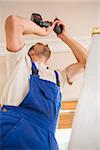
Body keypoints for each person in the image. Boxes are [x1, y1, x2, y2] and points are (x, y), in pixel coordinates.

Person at [0, 15, 87, 150]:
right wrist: (43, 32)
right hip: (14, 135)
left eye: (45, 43)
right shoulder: (20, 62)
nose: (46, 43)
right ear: (31, 51)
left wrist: (64, 36)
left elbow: (88, 63)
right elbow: (13, 22)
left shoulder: (58, 77)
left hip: (45, 143)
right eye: (40, 43)